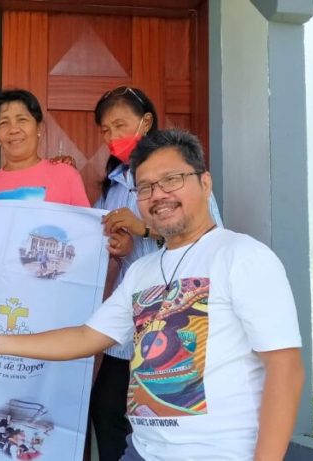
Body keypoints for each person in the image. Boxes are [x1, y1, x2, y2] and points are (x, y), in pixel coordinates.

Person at [0, 129, 304, 461]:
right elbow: (86, 337)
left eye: (171, 180)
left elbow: (285, 368)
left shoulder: (242, 256)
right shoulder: (142, 271)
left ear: (205, 182)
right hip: (142, 451)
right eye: (146, 187)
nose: (158, 195)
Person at [90, 86, 223, 460]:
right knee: (107, 413)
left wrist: (144, 228)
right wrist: (119, 247)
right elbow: (102, 243)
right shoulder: (114, 184)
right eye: (105, 130)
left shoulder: (180, 175)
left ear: (146, 122)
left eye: (120, 125)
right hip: (124, 326)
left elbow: (208, 239)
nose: (112, 136)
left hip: (174, 324)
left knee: (166, 423)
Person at [0, 89, 89, 207]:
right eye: (4, 123)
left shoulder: (66, 175)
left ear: (39, 128)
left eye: (22, 120)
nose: (13, 130)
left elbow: (83, 222)